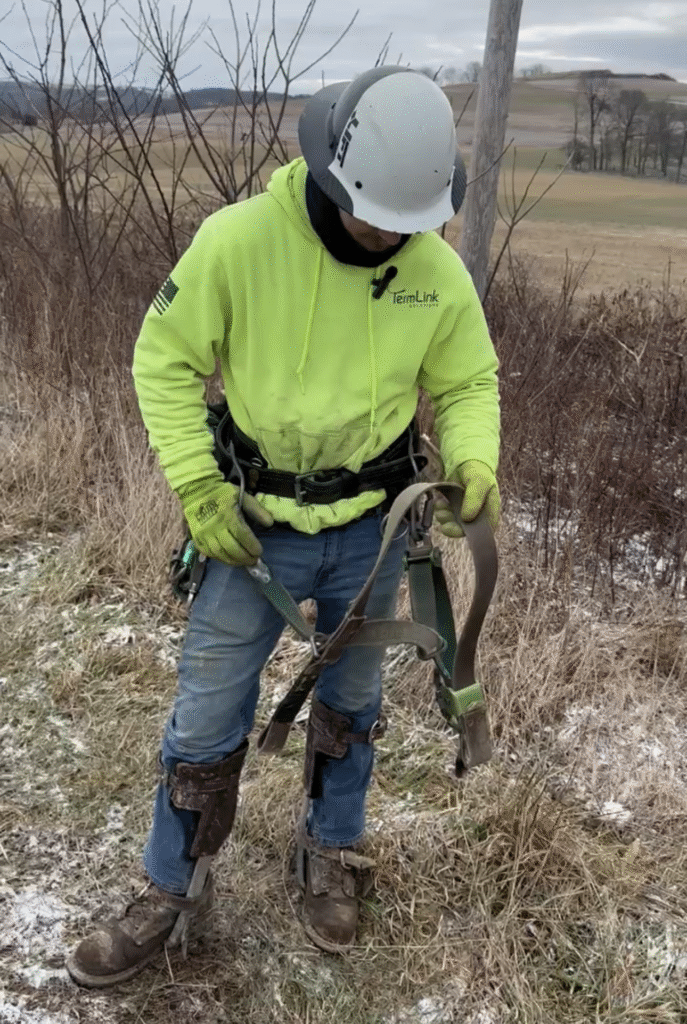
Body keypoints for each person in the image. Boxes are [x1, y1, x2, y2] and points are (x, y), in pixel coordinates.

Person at [65, 65, 500, 989]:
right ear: (333, 174)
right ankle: (172, 888)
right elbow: (164, 357)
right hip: (251, 528)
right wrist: (198, 486)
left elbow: (466, 382)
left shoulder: (434, 272)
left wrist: (472, 466)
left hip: (371, 528)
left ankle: (327, 856)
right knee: (207, 709)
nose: (390, 235)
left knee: (352, 708)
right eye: (375, 214)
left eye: (410, 222)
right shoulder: (236, 242)